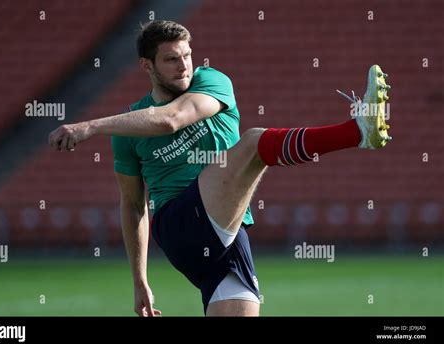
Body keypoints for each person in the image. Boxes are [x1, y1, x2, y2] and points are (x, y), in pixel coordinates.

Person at [48, 20, 392, 317]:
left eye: (186, 56)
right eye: (170, 59)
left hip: (228, 234)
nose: (183, 66)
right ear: (147, 66)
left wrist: (92, 126)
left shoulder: (212, 82)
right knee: (255, 142)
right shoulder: (127, 128)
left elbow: (172, 119)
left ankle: (360, 131)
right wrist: (140, 282)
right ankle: (357, 131)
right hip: (180, 226)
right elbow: (133, 204)